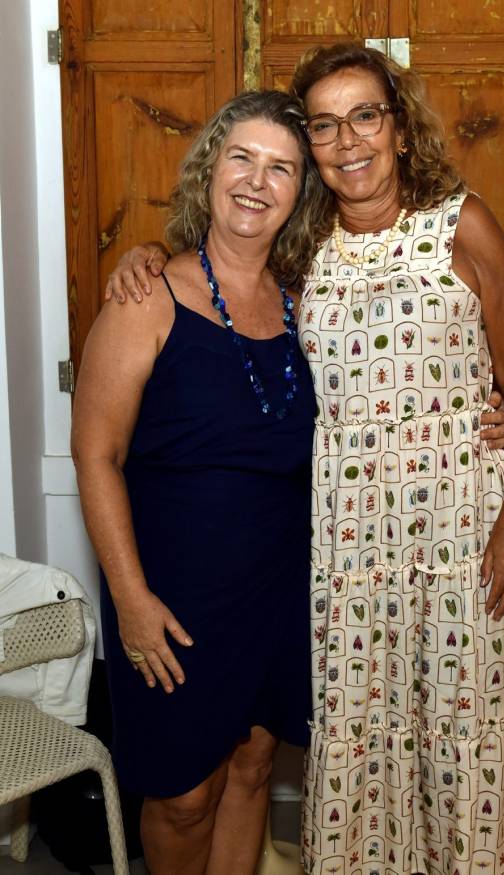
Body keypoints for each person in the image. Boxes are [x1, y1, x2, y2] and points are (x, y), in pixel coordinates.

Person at [104, 44, 504, 875]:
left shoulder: (461, 222)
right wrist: (143, 254)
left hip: (458, 542)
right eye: (323, 125)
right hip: (347, 559)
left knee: (461, 742)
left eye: (364, 115)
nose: (347, 140)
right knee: (368, 746)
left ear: (398, 127)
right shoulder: (308, 253)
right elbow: (226, 275)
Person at [71, 90, 327, 875]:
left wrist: (484, 415)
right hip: (172, 602)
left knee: (252, 766)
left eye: (281, 167)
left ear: (300, 192)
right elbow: (96, 456)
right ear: (210, 167)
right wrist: (132, 601)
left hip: (280, 591)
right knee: (183, 795)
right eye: (242, 157)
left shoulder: (303, 307)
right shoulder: (145, 296)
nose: (257, 181)